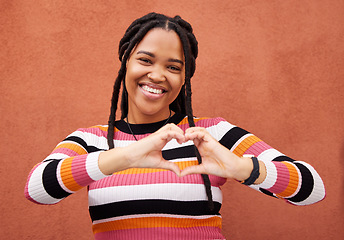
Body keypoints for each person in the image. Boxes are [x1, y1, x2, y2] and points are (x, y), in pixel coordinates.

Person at [25, 12, 326, 240]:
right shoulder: (91, 140)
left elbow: (312, 188)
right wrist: (125, 157)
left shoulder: (211, 135)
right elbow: (37, 188)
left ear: (184, 79)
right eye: (146, 60)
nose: (157, 75)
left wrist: (242, 169)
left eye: (173, 67)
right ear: (126, 62)